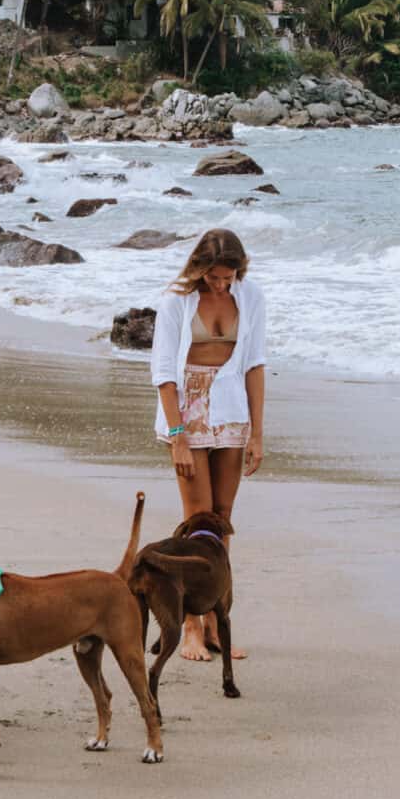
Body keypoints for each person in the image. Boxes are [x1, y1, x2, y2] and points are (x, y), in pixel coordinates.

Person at [149, 229, 265, 661]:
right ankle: (190, 626)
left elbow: (254, 364)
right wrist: (178, 436)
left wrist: (257, 433)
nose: (221, 285)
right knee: (196, 521)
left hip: (231, 408)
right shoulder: (175, 303)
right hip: (188, 410)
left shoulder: (250, 296)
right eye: (213, 277)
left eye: (227, 277)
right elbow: (163, 370)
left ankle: (218, 622)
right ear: (199, 269)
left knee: (222, 520)